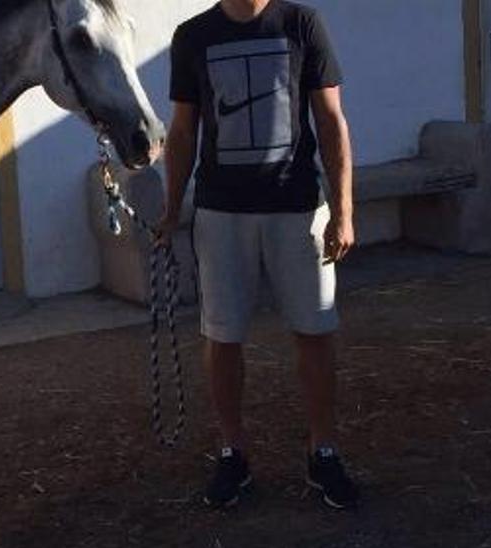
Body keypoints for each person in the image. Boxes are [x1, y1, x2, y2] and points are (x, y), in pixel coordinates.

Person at [158, 0, 360, 509]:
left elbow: (330, 118)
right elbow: (183, 130)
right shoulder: (192, 36)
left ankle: (324, 451)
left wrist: (344, 210)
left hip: (297, 208)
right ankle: (232, 452)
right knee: (222, 336)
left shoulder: (301, 24)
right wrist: (171, 208)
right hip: (221, 212)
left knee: (315, 331)